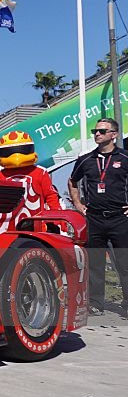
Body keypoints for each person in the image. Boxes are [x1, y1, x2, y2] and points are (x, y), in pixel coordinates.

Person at [68, 118, 128, 315]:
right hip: (94, 218)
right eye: (95, 131)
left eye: (102, 131)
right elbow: (72, 181)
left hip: (120, 217)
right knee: (95, 264)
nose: (97, 134)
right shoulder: (86, 159)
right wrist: (78, 204)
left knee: (124, 262)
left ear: (114, 134)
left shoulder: (125, 158)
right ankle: (95, 303)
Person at [0, 131, 60, 210]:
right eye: (10, 151)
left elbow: (51, 196)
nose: (16, 155)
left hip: (37, 218)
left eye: (21, 149)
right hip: (9, 219)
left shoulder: (40, 172)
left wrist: (57, 219)